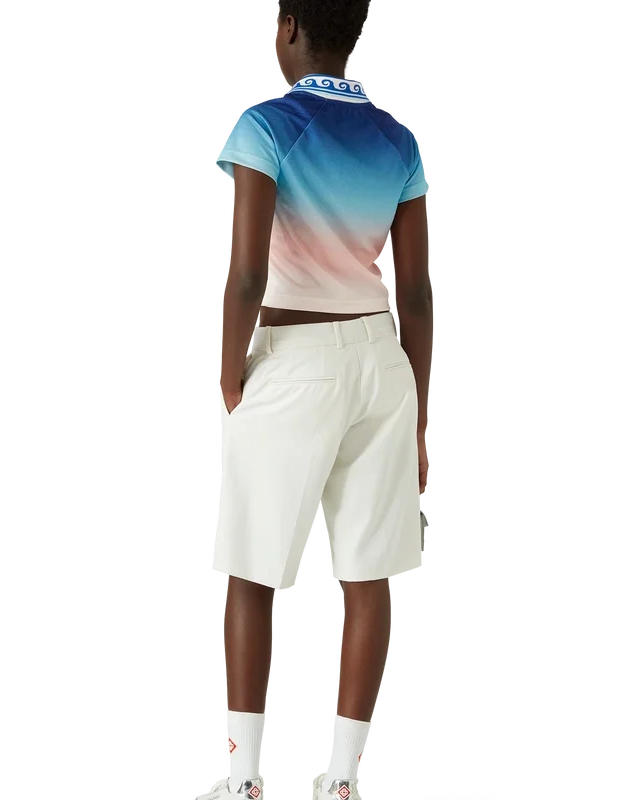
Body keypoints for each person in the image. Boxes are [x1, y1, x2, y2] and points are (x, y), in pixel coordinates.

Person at [204, 1, 433, 798]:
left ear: (291, 29)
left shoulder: (265, 126)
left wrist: (231, 369)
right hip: (381, 364)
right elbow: (415, 296)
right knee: (369, 576)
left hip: (292, 359)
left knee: (251, 566)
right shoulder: (398, 140)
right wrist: (419, 420)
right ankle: (343, 780)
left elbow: (246, 272)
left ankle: (243, 777)